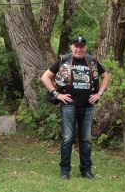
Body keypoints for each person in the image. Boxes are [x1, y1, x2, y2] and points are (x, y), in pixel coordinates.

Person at [41, 36, 110, 180]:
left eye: (82, 46)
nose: (79, 49)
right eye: (76, 46)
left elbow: (106, 77)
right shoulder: (64, 60)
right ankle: (64, 171)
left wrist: (99, 94)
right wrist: (57, 94)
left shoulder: (92, 60)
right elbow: (45, 77)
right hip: (69, 106)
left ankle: (86, 170)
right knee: (67, 138)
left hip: (87, 106)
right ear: (72, 47)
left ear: (85, 47)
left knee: (86, 139)